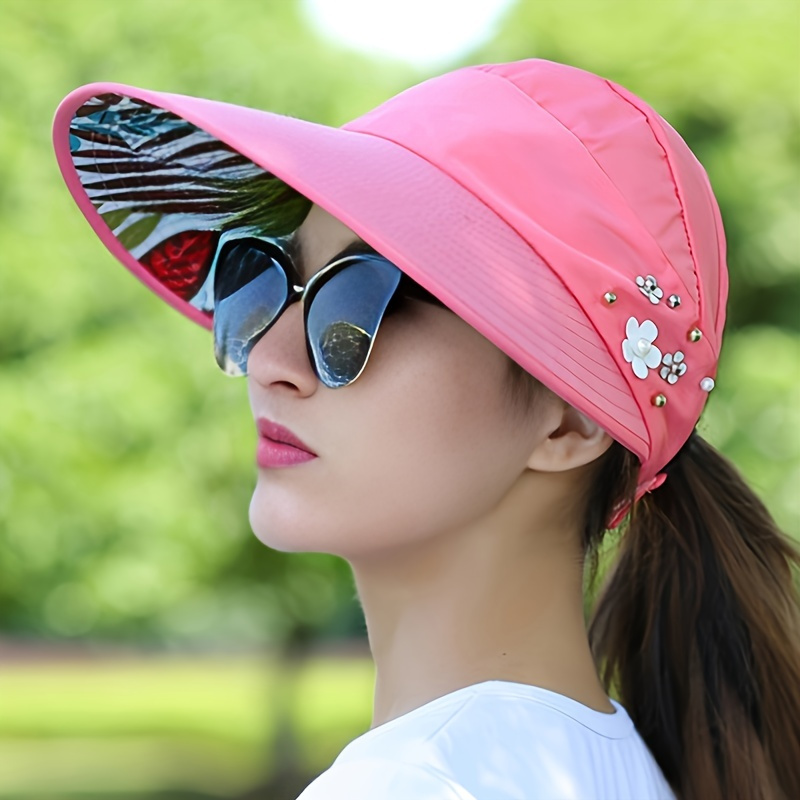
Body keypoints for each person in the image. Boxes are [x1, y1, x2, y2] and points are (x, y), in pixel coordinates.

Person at [53, 58, 800, 800]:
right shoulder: (635, 771)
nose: (270, 359)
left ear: (570, 422)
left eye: (361, 300)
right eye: (263, 277)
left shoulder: (405, 784)